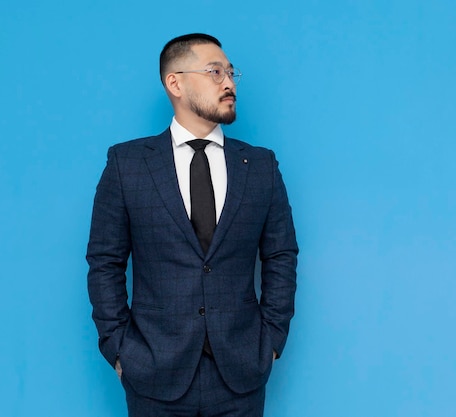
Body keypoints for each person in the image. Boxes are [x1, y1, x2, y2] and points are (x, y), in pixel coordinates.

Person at [86, 33, 299, 417]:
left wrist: (270, 341)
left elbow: (281, 255)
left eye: (231, 72)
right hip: (153, 371)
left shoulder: (261, 166)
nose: (229, 82)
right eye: (215, 72)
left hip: (241, 372)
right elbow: (105, 261)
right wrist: (119, 350)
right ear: (176, 83)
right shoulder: (128, 164)